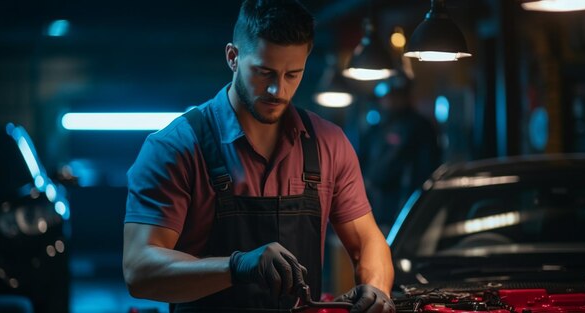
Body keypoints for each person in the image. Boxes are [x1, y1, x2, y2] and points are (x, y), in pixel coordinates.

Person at [122, 1, 395, 312]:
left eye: (293, 74)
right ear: (233, 57)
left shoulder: (328, 144)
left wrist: (376, 288)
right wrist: (237, 266)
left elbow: (368, 242)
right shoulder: (176, 148)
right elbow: (139, 270)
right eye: (264, 72)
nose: (278, 89)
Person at [360, 76, 441, 234]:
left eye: (395, 95)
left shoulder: (418, 127)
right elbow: (363, 166)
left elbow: (425, 171)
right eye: (386, 96)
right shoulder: (377, 129)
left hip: (408, 214)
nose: (388, 100)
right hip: (378, 214)